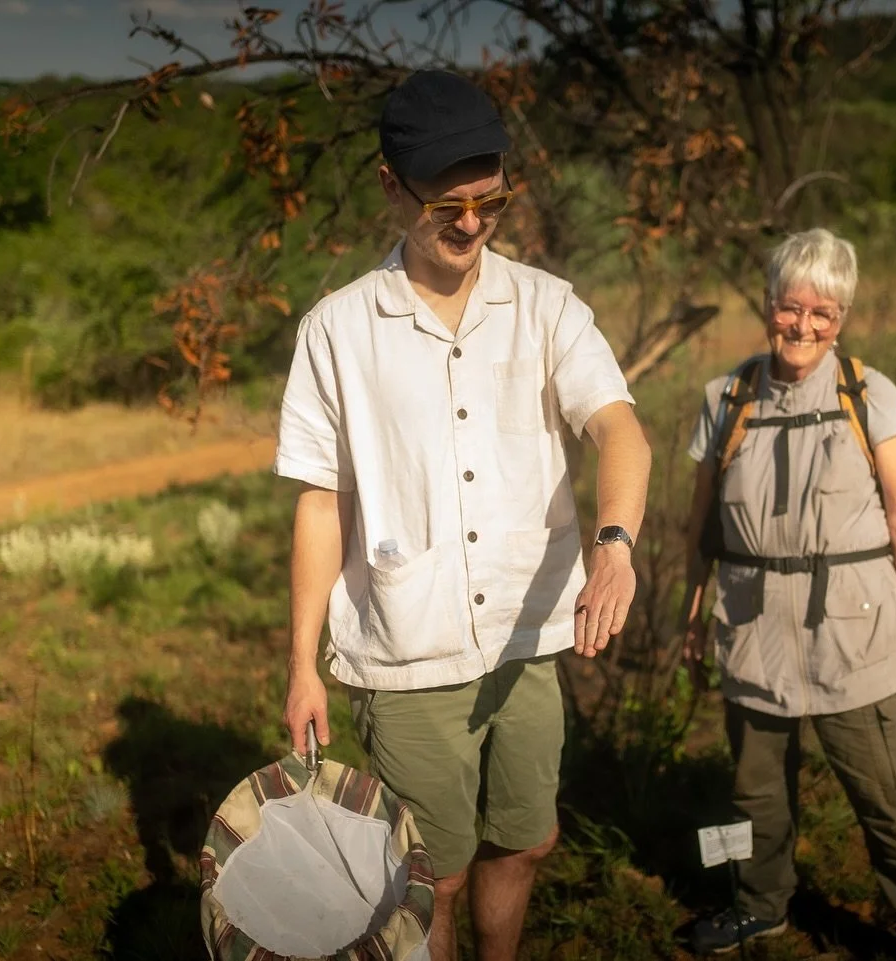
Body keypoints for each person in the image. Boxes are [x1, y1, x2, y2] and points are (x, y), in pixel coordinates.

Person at [274, 69, 651, 961]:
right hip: (406, 647)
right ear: (390, 186)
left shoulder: (546, 306)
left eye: (493, 201)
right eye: (448, 207)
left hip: (529, 635)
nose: (473, 224)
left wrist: (615, 545)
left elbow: (620, 430)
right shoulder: (337, 330)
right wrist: (302, 663)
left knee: (524, 839)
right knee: (431, 872)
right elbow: (321, 501)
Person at [680, 229, 896, 960]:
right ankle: (758, 904)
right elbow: (700, 526)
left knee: (894, 796)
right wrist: (692, 616)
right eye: (790, 307)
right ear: (768, 304)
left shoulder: (871, 396)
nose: (803, 326)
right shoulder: (726, 399)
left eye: (823, 313)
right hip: (752, 631)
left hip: (857, 635)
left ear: (842, 317)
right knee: (754, 794)